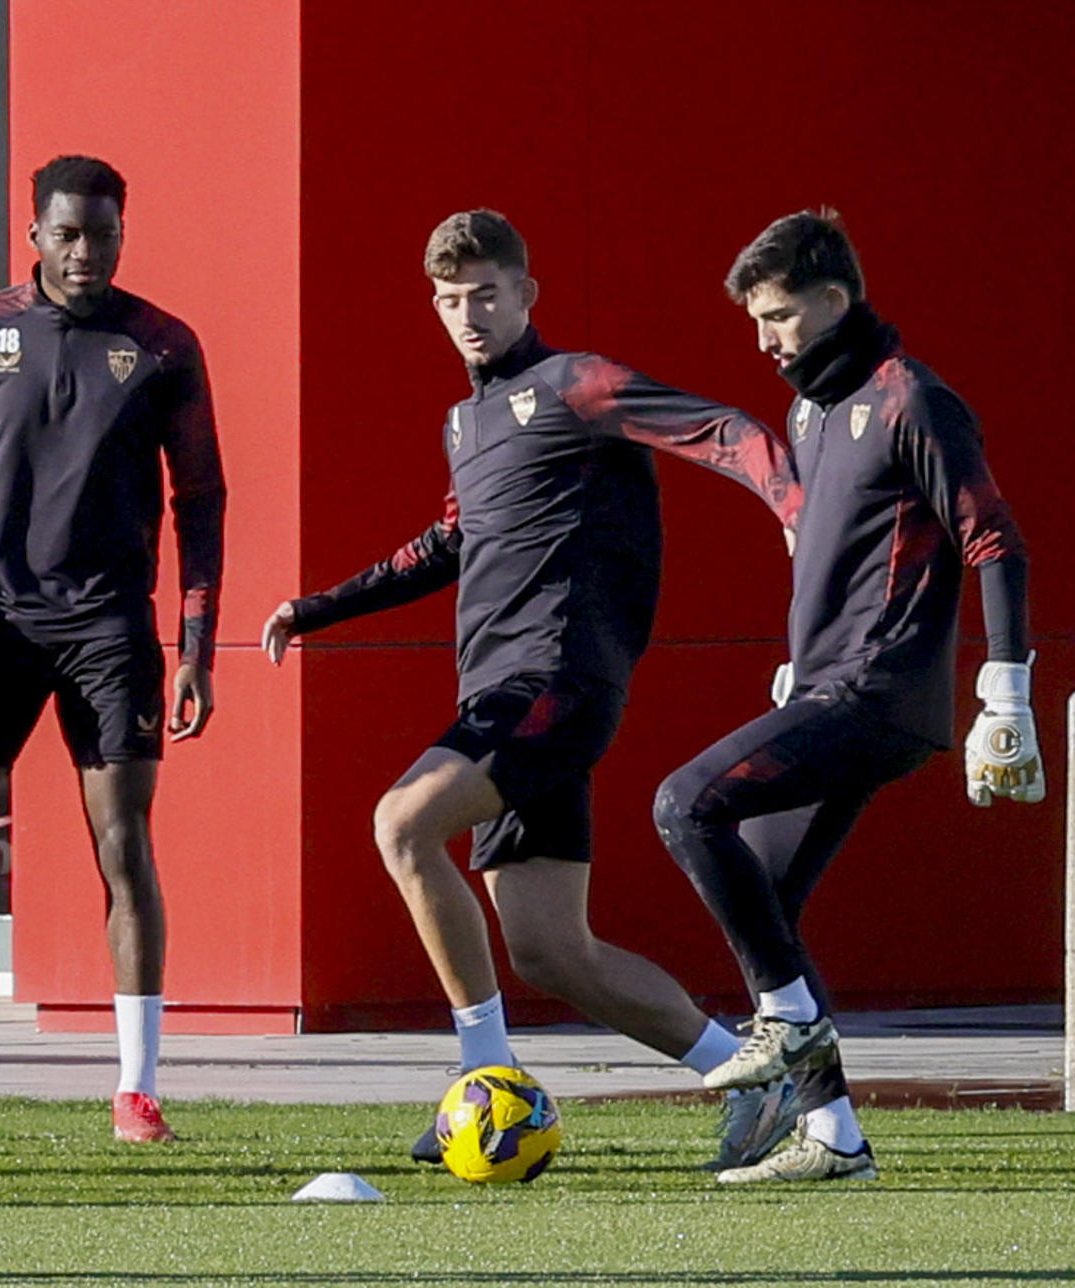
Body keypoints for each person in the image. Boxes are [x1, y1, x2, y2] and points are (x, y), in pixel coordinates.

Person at [260, 209, 801, 1169]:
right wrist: (320, 608)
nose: (469, 315)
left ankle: (484, 1081)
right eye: (451, 300)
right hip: (504, 693)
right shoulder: (464, 421)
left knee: (401, 824)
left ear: (526, 294)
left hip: (556, 681)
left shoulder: (576, 385)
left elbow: (724, 428)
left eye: (487, 295)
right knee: (554, 953)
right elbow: (449, 543)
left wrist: (791, 502)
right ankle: (761, 1082)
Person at [652, 209, 1041, 1184]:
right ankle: (835, 1139)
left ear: (836, 300)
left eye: (780, 316)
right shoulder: (809, 411)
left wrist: (1007, 694)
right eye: (757, 320)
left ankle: (784, 1024)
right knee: (764, 896)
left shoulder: (912, 400)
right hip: (827, 684)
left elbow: (992, 539)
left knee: (686, 802)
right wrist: (795, 661)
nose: (765, 339)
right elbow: (841, 560)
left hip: (880, 697)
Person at [0, 155, 226, 1143]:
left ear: (124, 234)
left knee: (122, 845)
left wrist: (197, 646)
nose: (87, 252)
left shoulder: (163, 344)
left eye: (105, 234)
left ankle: (137, 1092)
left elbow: (202, 500)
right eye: (69, 234)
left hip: (108, 625)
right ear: (35, 233)